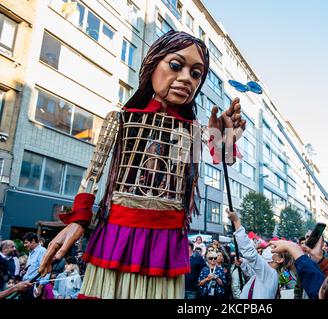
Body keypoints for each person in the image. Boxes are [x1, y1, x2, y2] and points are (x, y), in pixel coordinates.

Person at [38, 31, 246, 299]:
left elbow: (223, 156)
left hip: (166, 239)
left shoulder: (192, 130)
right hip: (118, 233)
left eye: (196, 74)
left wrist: (226, 137)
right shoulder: (121, 118)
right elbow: (93, 173)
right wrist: (79, 219)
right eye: (175, 65)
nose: (186, 78)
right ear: (153, 64)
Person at [227, 209, 288, 299]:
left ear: (279, 259)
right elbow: (252, 273)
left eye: (272, 248)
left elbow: (250, 254)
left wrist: (237, 221)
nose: (267, 249)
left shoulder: (270, 273)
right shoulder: (265, 273)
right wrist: (243, 263)